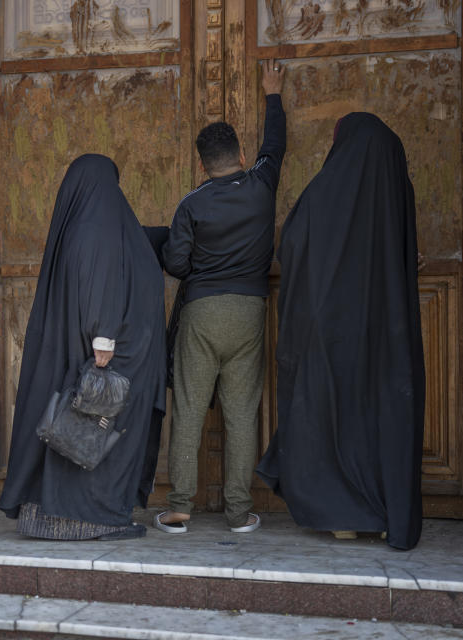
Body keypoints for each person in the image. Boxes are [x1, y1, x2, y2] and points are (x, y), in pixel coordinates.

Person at [255, 112, 426, 551]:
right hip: (388, 330)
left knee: (335, 414)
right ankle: (388, 513)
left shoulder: (328, 188)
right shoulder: (396, 186)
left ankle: (344, 514)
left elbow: (291, 242)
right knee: (382, 411)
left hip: (331, 329)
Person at [0, 154, 167, 541]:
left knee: (80, 429)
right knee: (100, 430)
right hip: (109, 355)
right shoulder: (100, 226)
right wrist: (103, 337)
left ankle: (59, 513)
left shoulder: (86, 224)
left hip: (90, 351)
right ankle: (94, 516)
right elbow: (101, 280)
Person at [155, 59, 286, 535]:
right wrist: (272, 94)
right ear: (240, 152)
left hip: (201, 312)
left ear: (201, 163)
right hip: (249, 311)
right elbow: (277, 146)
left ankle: (180, 508)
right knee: (241, 412)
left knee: (189, 409)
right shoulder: (261, 185)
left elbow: (176, 262)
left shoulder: (192, 203)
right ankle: (237, 512)